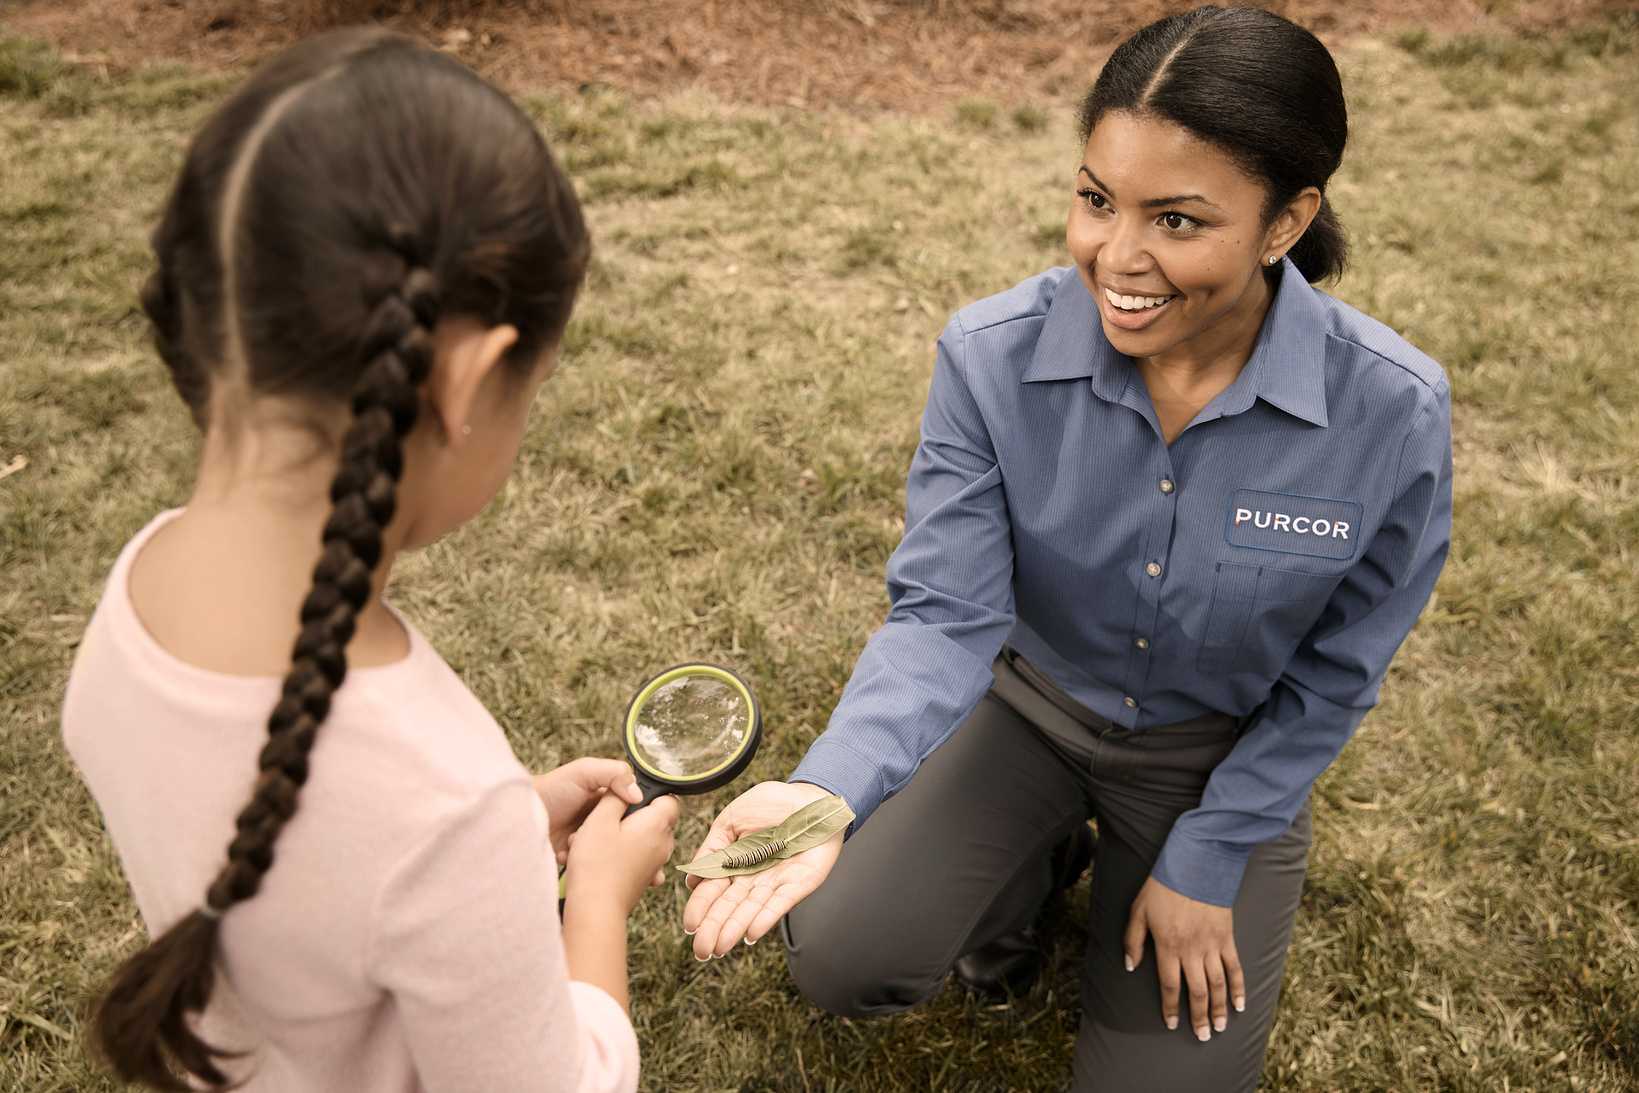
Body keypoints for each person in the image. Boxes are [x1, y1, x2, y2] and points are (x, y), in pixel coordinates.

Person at [682, 7, 1452, 1089]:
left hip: (1210, 756)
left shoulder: (1392, 412)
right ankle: (1041, 856)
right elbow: (945, 616)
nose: (1115, 256)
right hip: (1024, 709)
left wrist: (1208, 850)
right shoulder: (987, 359)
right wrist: (832, 789)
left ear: (1285, 221)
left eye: (1177, 221)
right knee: (842, 954)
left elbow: (1333, 674)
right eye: (1097, 199)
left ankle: (1119, 862)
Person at [61, 29, 678, 1093]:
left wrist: (503, 836)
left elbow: (306, 884)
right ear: (469, 381)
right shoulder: (442, 796)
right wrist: (600, 903)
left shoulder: (137, 595)